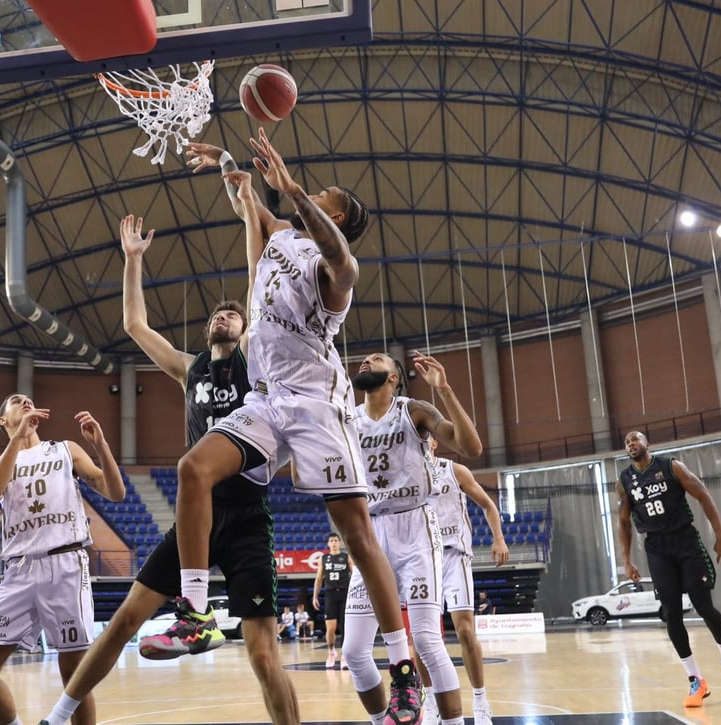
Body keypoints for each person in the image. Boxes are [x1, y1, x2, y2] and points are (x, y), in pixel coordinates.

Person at [166, 128, 423, 724]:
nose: (318, 191)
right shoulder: (280, 236)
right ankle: (197, 614)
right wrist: (230, 164)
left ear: (334, 213)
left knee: (356, 532)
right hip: (266, 398)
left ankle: (404, 671)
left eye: (327, 195)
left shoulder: (336, 274)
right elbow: (246, 202)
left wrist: (295, 191)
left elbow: (343, 260)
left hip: (316, 403)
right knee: (192, 469)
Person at [39, 197, 300, 725]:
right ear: (207, 332)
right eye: (217, 315)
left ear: (245, 325)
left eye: (233, 313)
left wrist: (251, 212)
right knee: (121, 623)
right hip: (194, 521)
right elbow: (135, 325)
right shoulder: (190, 369)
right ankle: (59, 715)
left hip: (247, 515)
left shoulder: (255, 360)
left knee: (262, 654)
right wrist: (133, 259)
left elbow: (256, 285)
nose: (224, 316)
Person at [342, 351, 483, 725]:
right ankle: (383, 721)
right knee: (354, 651)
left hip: (415, 529)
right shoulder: (347, 418)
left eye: (376, 359)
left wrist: (446, 390)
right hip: (370, 534)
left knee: (426, 641)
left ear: (394, 377)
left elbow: (471, 447)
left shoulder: (413, 410)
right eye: (364, 360)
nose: (365, 362)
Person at [0, 397, 125, 725]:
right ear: (2, 420)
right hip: (18, 571)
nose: (25, 401)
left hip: (64, 564)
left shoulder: (65, 448)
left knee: (74, 675)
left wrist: (101, 446)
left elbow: (116, 492)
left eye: (29, 400)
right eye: (15, 401)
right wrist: (17, 439)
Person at [618, 431, 721, 708]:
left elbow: (702, 494)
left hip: (685, 541)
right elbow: (624, 522)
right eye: (627, 442)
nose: (631, 444)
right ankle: (696, 680)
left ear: (647, 443)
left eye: (635, 439)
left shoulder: (671, 466)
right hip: (657, 548)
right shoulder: (625, 480)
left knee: (704, 606)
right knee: (671, 614)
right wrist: (627, 560)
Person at [427, 438, 509, 725]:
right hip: (422, 559)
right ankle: (429, 701)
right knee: (424, 637)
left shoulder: (455, 470)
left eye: (425, 435)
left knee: (465, 632)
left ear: (434, 442)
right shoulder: (406, 473)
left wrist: (498, 537)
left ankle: (480, 700)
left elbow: (487, 505)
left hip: (455, 556)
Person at [312, 532, 353, 669]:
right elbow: (319, 579)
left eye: (336, 540)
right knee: (330, 628)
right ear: (328, 544)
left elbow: (354, 575)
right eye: (331, 540)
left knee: (345, 628)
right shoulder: (324, 558)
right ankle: (331, 652)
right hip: (330, 594)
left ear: (340, 543)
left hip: (345, 594)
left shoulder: (346, 557)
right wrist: (315, 596)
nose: (334, 542)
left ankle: (344, 656)